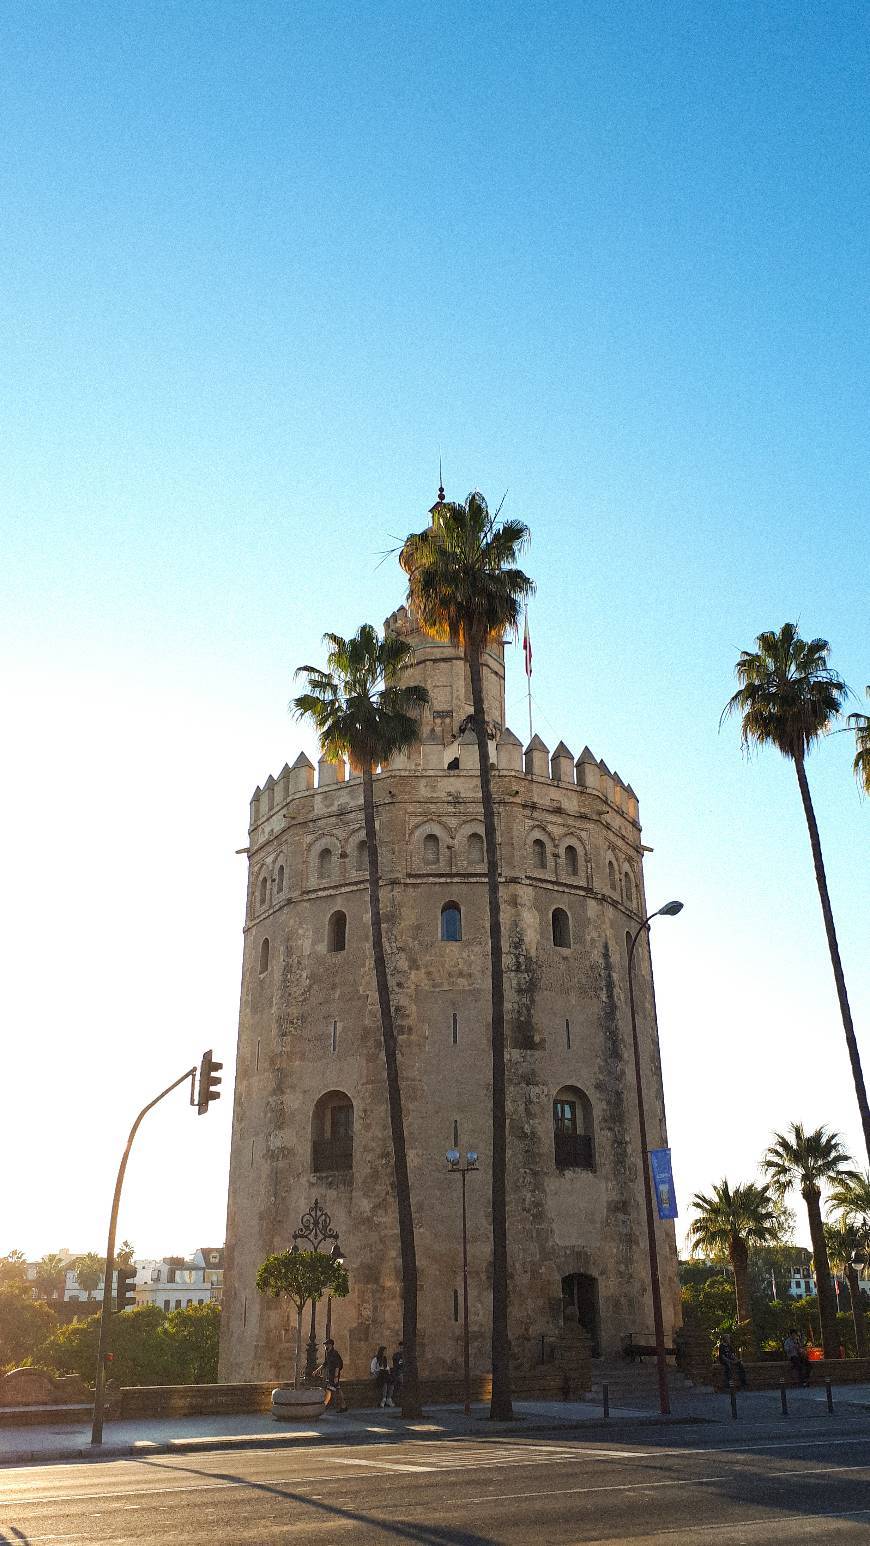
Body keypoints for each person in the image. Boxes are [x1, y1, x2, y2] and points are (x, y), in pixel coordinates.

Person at [317, 1338, 347, 1413]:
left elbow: (337, 1366)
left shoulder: (334, 1354)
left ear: (330, 1345)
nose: (325, 1346)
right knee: (338, 1390)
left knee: (329, 1390)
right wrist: (317, 1370)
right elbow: (325, 1363)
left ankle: (324, 1406)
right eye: (324, 1345)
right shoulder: (329, 1354)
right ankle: (344, 1406)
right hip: (331, 1375)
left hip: (334, 1376)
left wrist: (336, 1377)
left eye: (326, 1345)